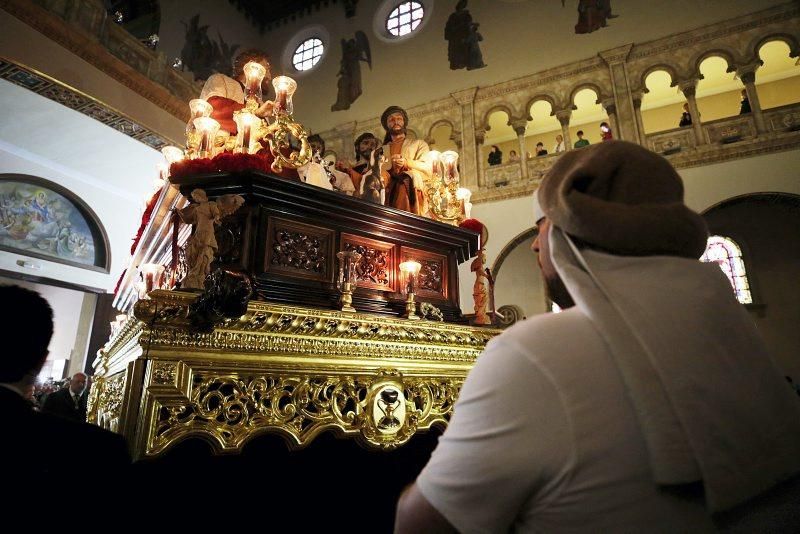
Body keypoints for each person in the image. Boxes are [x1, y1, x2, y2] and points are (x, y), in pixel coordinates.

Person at [395, 141, 800, 532]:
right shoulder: (731, 328)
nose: (536, 245)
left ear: (570, 231)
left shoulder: (533, 352)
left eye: (543, 227)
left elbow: (421, 526)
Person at [0, 285, 131, 486]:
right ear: (42, 361)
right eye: (79, 381)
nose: (82, 384)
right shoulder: (100, 451)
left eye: (84, 381)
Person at [199, 49, 275, 135]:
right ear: (252, 64)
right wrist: (254, 112)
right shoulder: (221, 80)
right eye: (267, 69)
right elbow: (213, 108)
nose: (270, 77)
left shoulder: (261, 103)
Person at [380, 105, 432, 216]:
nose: (396, 121)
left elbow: (427, 168)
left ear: (404, 122)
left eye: (399, 118)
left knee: (405, 179)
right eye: (391, 120)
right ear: (386, 125)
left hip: (408, 188)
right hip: (387, 190)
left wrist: (406, 162)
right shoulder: (380, 151)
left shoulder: (418, 144)